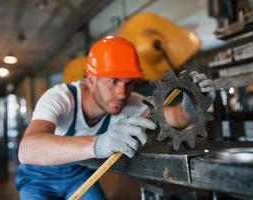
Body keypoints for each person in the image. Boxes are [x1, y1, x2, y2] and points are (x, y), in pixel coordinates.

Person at [15, 36, 215, 200]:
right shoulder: (61, 98)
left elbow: (177, 117)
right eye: (113, 81)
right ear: (91, 79)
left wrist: (194, 102)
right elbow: (27, 150)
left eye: (129, 83)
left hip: (78, 177)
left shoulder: (132, 102)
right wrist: (99, 144)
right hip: (37, 179)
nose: (122, 93)